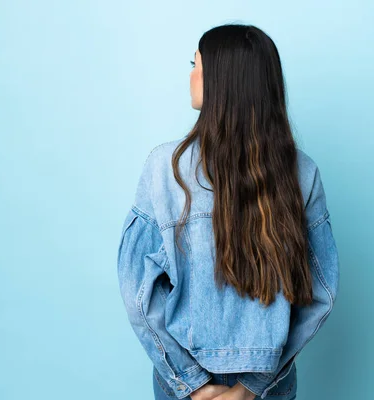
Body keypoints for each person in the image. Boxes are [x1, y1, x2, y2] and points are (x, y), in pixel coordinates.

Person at [117, 23, 339, 400]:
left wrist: (192, 385)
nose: (190, 75)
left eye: (196, 63)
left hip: (183, 387)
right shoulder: (302, 173)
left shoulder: (165, 168)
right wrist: (250, 389)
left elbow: (139, 295)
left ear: (222, 78)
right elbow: (321, 294)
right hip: (270, 388)